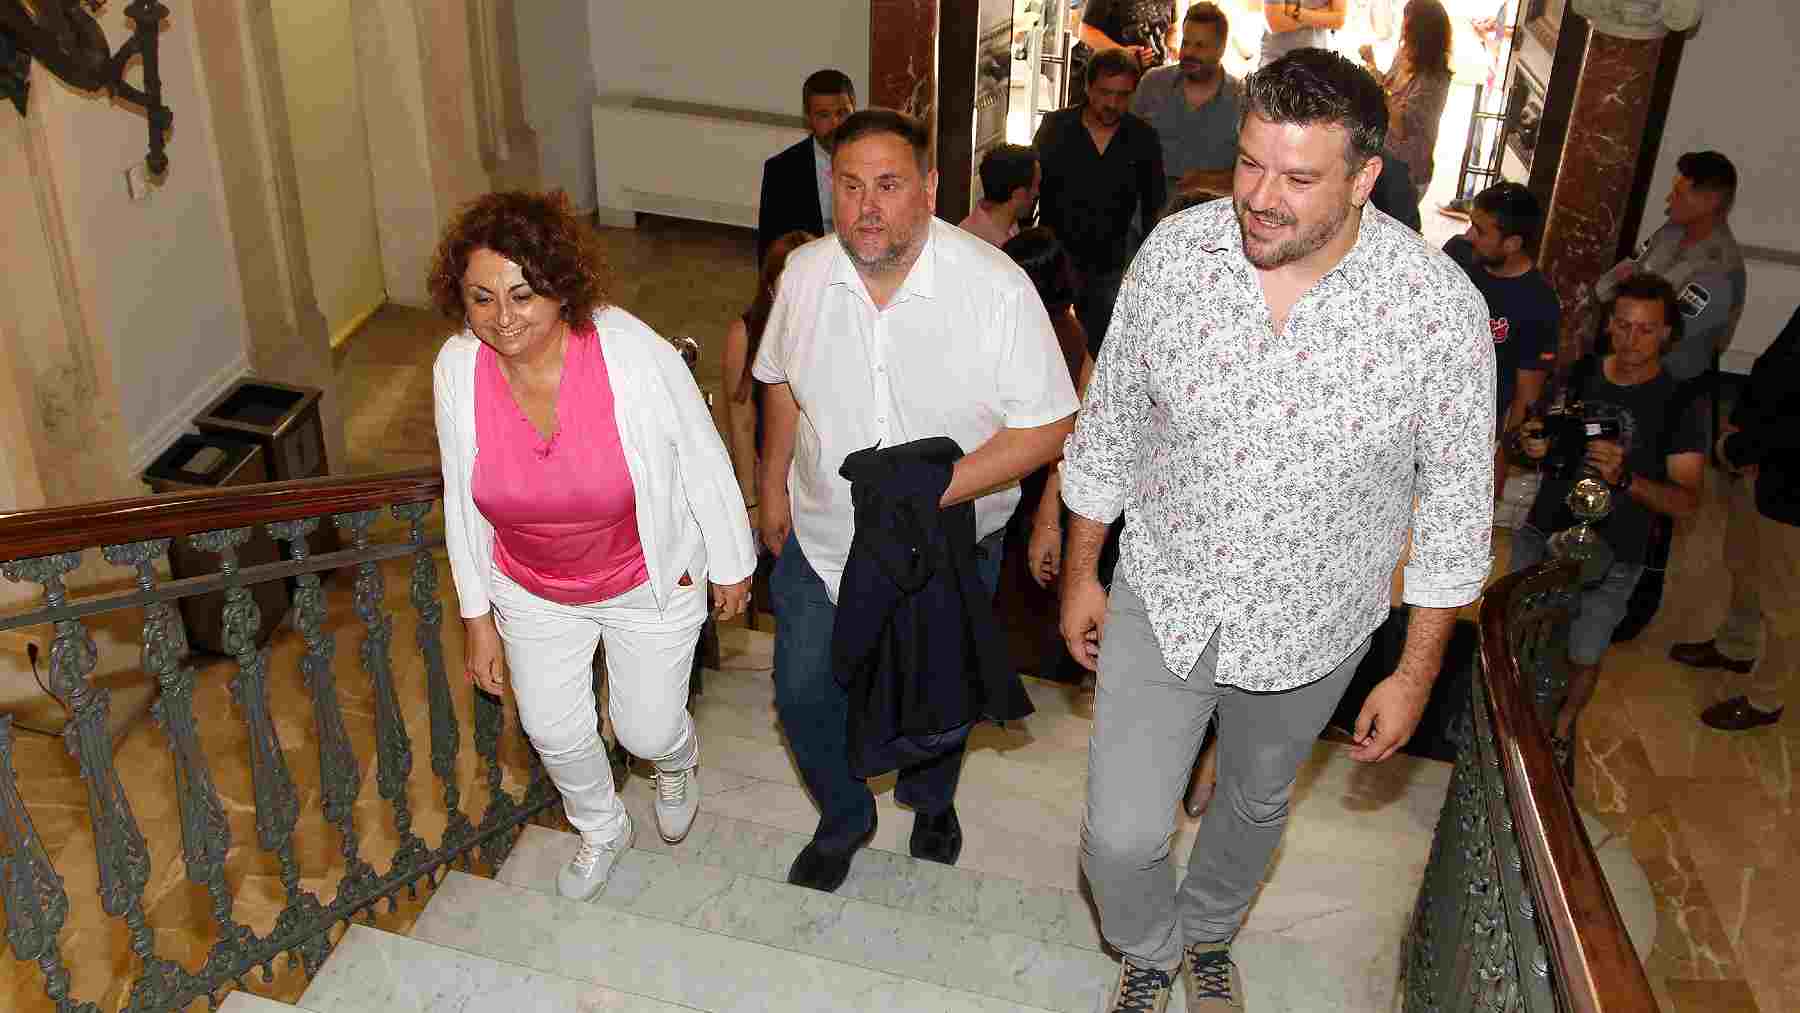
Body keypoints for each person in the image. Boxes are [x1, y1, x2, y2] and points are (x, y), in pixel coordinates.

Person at [1061, 49, 1496, 1011]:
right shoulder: (1178, 257)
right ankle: (1148, 946)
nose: (1261, 197)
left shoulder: (1437, 314)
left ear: (1365, 178)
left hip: (1316, 626)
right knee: (1122, 836)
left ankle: (1209, 929)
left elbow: (1460, 518)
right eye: (1252, 162)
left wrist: (1415, 671)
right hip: (1165, 594)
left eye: (1299, 179)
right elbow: (1111, 428)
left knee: (1254, 801)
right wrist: (1082, 571)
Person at [754, 110, 1080, 894]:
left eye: (890, 185)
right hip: (826, 533)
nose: (868, 207)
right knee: (800, 690)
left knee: (938, 693)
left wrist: (935, 487)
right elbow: (781, 385)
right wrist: (770, 486)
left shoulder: (996, 289)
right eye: (852, 185)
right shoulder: (803, 276)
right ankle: (844, 815)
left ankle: (932, 801)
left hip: (951, 542)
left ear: (930, 189)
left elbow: (1052, 421)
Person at [431, 190, 757, 902]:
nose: (503, 317)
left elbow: (700, 453)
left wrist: (732, 561)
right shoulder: (457, 366)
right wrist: (476, 614)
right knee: (551, 726)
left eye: (522, 293)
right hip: (531, 583)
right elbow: (460, 494)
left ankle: (674, 760)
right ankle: (600, 825)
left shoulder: (625, 349)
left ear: (559, 285)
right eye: (481, 298)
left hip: (645, 576)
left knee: (645, 727)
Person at [1511, 274, 1706, 740]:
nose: (1630, 339)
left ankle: (1560, 732)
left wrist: (1625, 479)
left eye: (1644, 329)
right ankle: (1506, 722)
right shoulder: (1578, 375)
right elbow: (1531, 432)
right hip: (1544, 533)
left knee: (1584, 652)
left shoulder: (1680, 402)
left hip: (1617, 551)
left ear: (1666, 334)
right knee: (1515, 639)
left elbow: (1685, 502)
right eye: (1621, 325)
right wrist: (1531, 445)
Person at [1677, 305, 1800, 731]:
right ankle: (1736, 645)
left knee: (1786, 603)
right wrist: (1740, 422)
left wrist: (1741, 448)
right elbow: (1777, 368)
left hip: (1790, 484)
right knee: (1744, 562)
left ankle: (1766, 699)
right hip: (1764, 464)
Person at [1034, 47, 1166, 355]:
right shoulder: (1056, 127)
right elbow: (1032, 190)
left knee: (1100, 351)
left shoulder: (1142, 139)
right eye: (1105, 92)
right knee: (1046, 348)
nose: (1112, 103)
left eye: (1122, 95)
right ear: (1088, 87)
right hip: (1054, 263)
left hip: (1108, 267)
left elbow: (1153, 208)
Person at [1443, 181, 1561, 502]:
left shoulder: (1538, 303)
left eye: (1480, 231)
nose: (1468, 236)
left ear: (1512, 244)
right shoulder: (1456, 257)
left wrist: (1499, 465)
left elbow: (1526, 397)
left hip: (1476, 433)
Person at [1595, 151, 1745, 384]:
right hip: (1629, 344)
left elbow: (1670, 337)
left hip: (1670, 374)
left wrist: (1621, 311)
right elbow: (1607, 284)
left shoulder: (1719, 269)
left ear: (1709, 202)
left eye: (1678, 194)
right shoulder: (1671, 231)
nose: (1668, 200)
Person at [721, 229, 818, 530]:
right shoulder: (745, 335)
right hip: (773, 475)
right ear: (772, 290)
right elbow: (741, 421)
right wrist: (752, 501)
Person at [1130, 3, 1244, 201]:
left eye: (1200, 46)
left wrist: (1204, 181)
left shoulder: (1242, 99)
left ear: (1221, 49)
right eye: (1186, 43)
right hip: (1145, 216)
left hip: (1208, 221)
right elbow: (1125, 147)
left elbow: (1251, 175)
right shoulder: (1153, 84)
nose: (1189, 53)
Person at [756, 69, 856, 266]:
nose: (835, 123)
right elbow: (771, 253)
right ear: (808, 118)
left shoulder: (875, 162)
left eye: (842, 113)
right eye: (823, 115)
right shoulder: (781, 171)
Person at [1359, 1, 1455, 202]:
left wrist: (1379, 88)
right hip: (1384, 158)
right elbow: (1387, 88)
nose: (1402, 29)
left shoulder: (1433, 79)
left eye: (1407, 24)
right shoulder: (1404, 54)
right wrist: (1371, 63)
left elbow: (1401, 126)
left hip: (1408, 172)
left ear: (1422, 34)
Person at [1069, 0, 1180, 106]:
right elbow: (1086, 32)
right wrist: (1123, 53)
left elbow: (1172, 28)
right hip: (1107, 78)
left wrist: (1171, 47)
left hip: (1147, 84)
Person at [960, 144, 1040, 248]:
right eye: (1036, 186)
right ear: (1019, 194)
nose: (1038, 192)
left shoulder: (1009, 226)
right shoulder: (975, 245)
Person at [1261, 0, 1347, 67]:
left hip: (1316, 62)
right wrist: (1323, 14)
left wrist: (1295, 12)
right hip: (1277, 63)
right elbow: (1275, 23)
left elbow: (1338, 20)